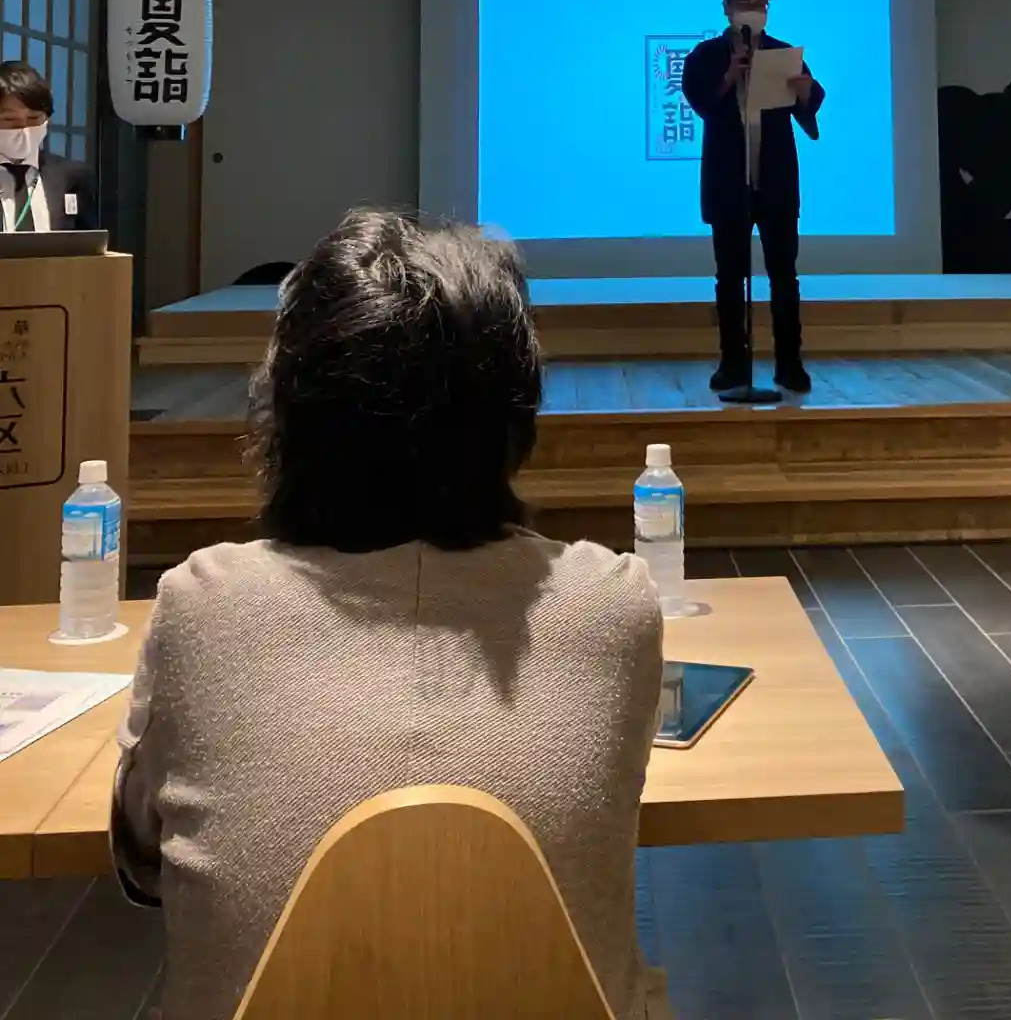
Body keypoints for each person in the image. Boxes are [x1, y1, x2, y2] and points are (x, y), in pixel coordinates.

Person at [111, 210, 669, 1020]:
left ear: (287, 407)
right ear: (514, 414)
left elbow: (141, 858)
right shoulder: (612, 602)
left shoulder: (204, 602)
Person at [681, 0, 824, 395]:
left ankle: (789, 364)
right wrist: (729, 76)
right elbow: (700, 101)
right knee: (730, 277)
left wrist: (805, 92)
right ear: (727, 8)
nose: (754, 12)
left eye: (761, 4)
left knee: (784, 276)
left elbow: (809, 108)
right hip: (729, 184)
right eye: (745, 4)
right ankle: (733, 365)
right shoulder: (706, 55)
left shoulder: (782, 53)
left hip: (776, 182)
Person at [0, 58, 96, 232]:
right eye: (10, 119)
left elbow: (87, 242)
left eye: (33, 118)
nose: (23, 128)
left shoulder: (72, 176)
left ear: (47, 118)